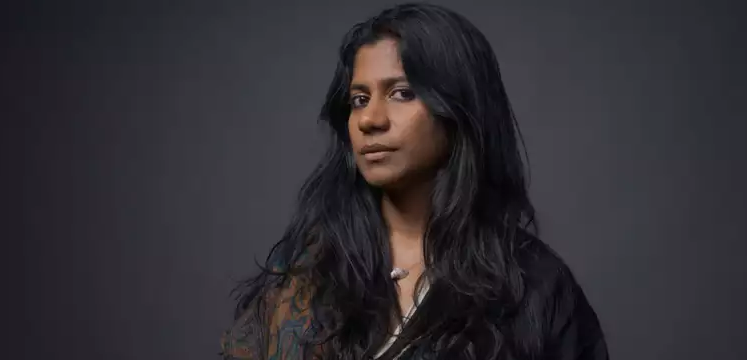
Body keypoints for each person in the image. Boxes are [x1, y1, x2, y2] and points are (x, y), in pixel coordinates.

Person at [220, 3, 609, 359]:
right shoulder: (305, 270)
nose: (370, 119)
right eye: (359, 99)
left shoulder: (535, 287)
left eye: (401, 93)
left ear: (458, 109)